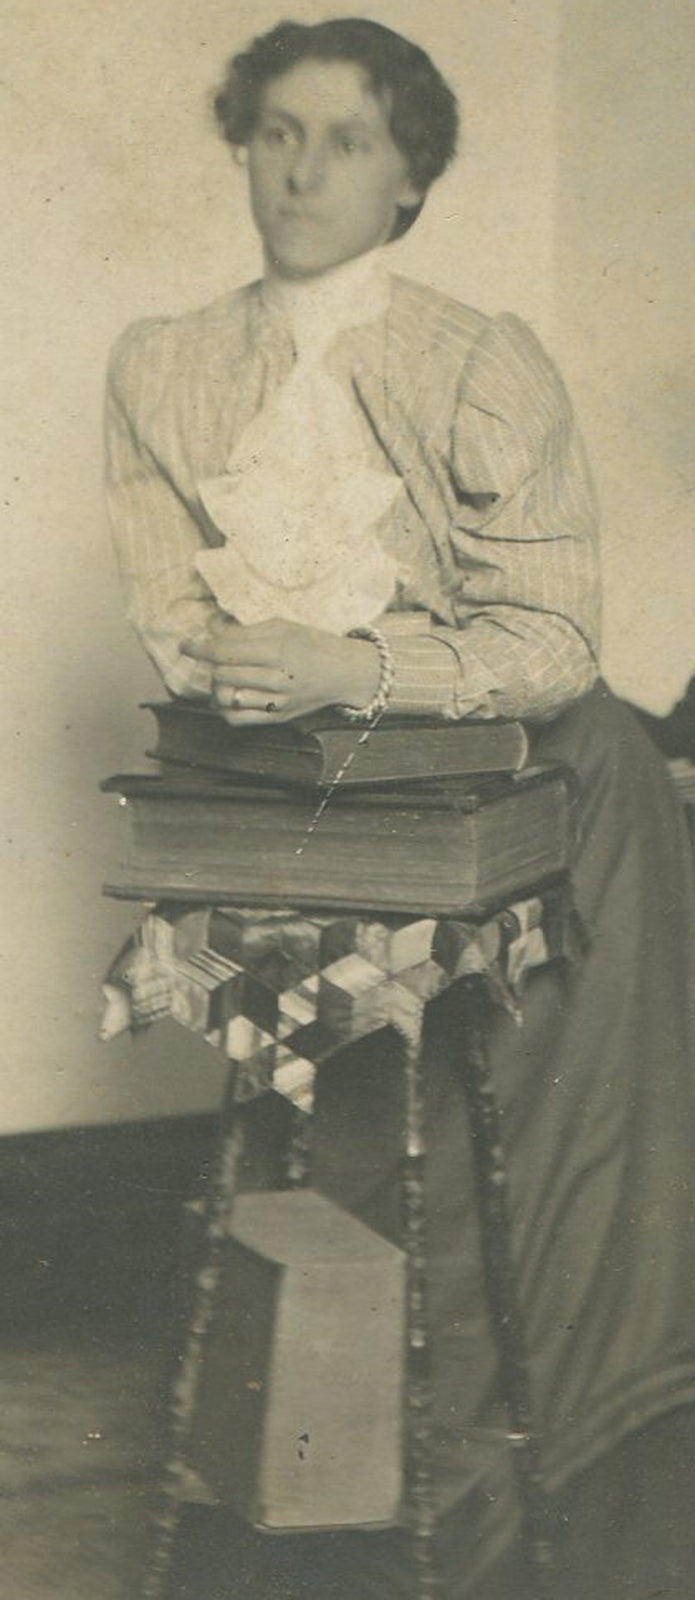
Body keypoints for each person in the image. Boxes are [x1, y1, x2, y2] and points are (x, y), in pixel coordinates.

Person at [104, 19, 695, 1599]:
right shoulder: (161, 367)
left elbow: (555, 642)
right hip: (305, 793)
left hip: (544, 784)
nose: (300, 172)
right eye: (277, 134)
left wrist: (346, 660)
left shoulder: (478, 359)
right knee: (340, 1081)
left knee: (503, 1103)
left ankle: (533, 1428)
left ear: (413, 175)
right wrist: (257, 672)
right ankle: (328, 1449)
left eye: (347, 141)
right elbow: (173, 616)